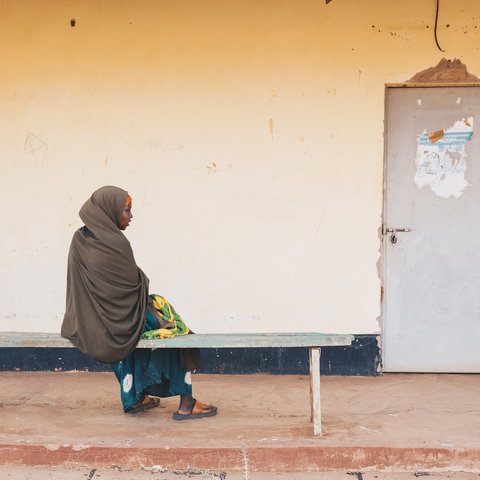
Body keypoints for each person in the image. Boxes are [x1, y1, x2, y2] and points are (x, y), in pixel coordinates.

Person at [61, 185, 217, 420]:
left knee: (138, 329)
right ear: (110, 210)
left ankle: (134, 398)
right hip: (117, 323)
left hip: (89, 323)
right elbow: (135, 288)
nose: (131, 216)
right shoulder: (116, 243)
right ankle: (187, 402)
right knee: (176, 331)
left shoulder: (79, 239)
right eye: (127, 210)